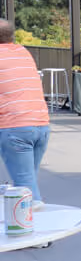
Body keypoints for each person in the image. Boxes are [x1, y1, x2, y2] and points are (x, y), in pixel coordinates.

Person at [0, 19, 51, 208]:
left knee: (27, 194)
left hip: (15, 129)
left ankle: (33, 230)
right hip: (41, 126)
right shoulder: (23, 52)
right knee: (27, 182)